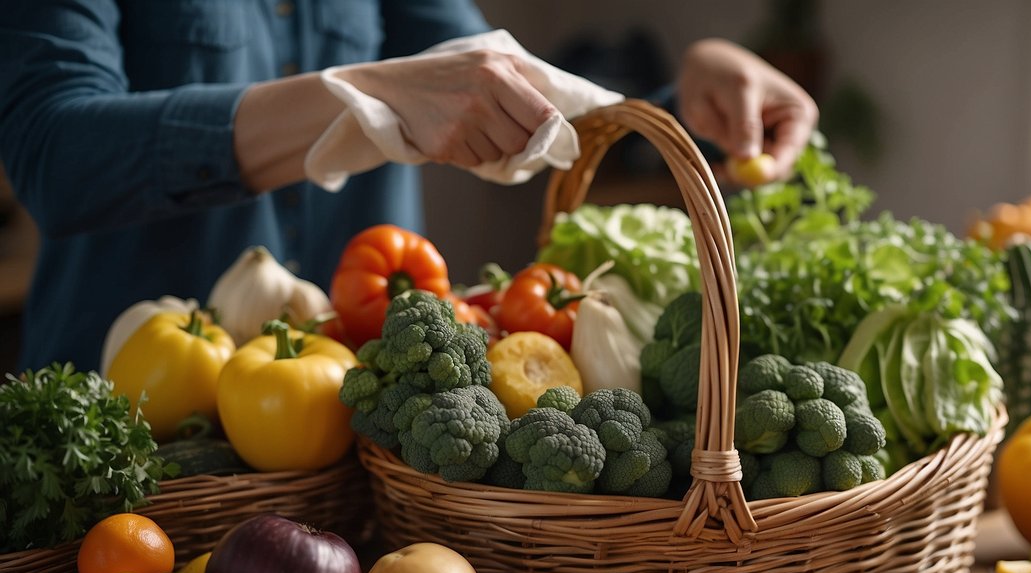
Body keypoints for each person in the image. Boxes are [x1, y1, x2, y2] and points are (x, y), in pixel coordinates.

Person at [0, 2, 817, 373]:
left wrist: (681, 107)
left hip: (350, 432)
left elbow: (496, 90)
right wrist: (366, 97)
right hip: (125, 444)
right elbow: (55, 151)